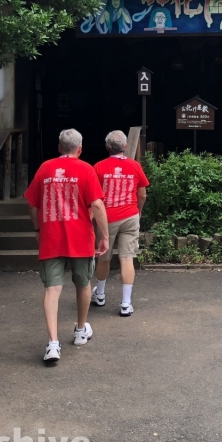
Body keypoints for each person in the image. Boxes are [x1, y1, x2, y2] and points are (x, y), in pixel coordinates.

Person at [24, 129, 109, 363]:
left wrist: (38, 230)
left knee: (52, 290)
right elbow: (98, 205)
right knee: (83, 284)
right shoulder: (86, 169)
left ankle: (52, 344)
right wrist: (105, 236)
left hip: (51, 237)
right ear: (79, 149)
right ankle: (81, 330)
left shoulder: (45, 169)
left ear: (59, 147)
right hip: (81, 238)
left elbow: (32, 205)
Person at [92, 130, 148, 317]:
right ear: (125, 146)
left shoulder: (99, 167)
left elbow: (94, 196)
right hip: (130, 215)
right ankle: (126, 302)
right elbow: (142, 194)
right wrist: (138, 211)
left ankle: (100, 294)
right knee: (127, 258)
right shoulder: (135, 166)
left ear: (107, 147)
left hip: (106, 218)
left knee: (104, 257)